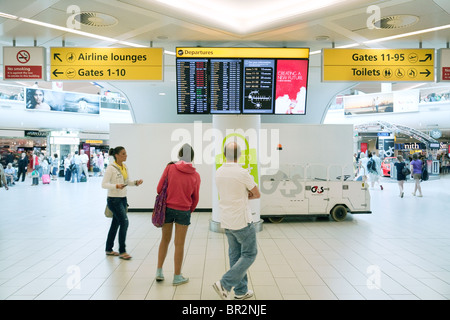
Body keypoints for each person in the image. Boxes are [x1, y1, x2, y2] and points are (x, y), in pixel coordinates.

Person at [213, 142, 261, 300]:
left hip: (226, 219)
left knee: (235, 255)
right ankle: (225, 283)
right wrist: (245, 194)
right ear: (239, 154)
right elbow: (256, 193)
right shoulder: (242, 173)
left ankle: (241, 291)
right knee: (249, 254)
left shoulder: (219, 172)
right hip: (241, 220)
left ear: (224, 154)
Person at [156, 144, 201, 286]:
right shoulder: (195, 175)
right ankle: (177, 276)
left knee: (165, 240)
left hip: (167, 208)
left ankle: (159, 271)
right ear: (192, 157)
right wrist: (189, 210)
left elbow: (158, 189)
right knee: (179, 244)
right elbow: (196, 198)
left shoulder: (170, 168)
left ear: (179, 155)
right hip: (184, 211)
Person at [102, 146, 143, 260]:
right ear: (117, 155)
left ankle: (109, 249)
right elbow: (104, 184)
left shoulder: (124, 166)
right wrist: (115, 186)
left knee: (115, 224)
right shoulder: (111, 168)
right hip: (113, 200)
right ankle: (122, 251)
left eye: (126, 153)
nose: (126, 156)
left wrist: (135, 182)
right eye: (123, 154)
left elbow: (126, 182)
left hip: (122, 198)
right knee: (124, 222)